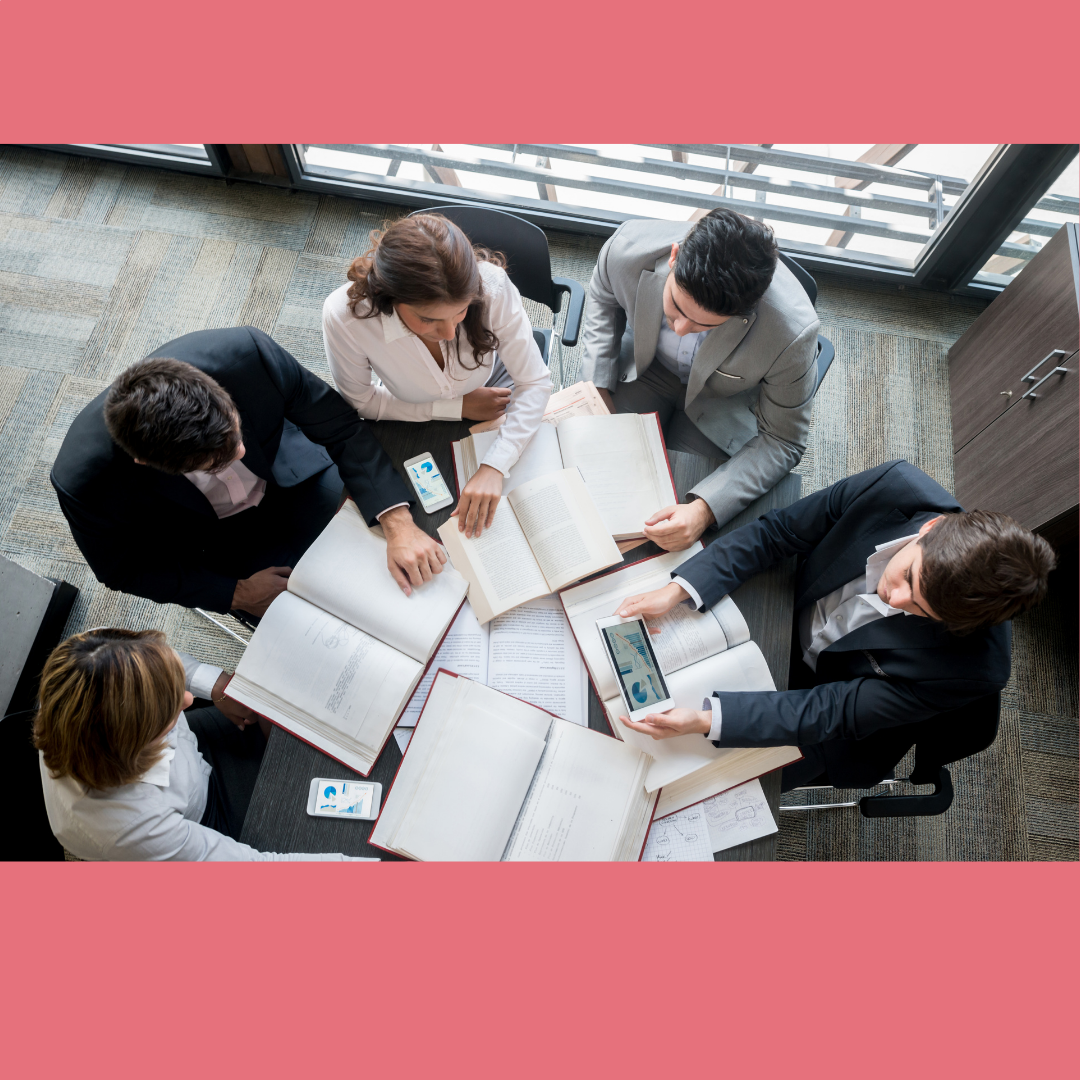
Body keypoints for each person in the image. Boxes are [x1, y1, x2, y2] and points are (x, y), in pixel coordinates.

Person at [612, 461, 1056, 788]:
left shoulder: (974, 670)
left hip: (831, 713)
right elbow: (778, 532)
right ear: (930, 528)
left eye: (922, 609)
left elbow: (833, 710)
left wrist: (707, 720)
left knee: (685, 787)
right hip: (787, 612)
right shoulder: (896, 489)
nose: (895, 599)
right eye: (908, 577)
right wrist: (680, 589)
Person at [51, 326, 447, 616]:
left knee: (422, 548)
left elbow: (339, 425)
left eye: (235, 432)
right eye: (218, 461)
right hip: (218, 542)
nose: (239, 451)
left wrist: (397, 522)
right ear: (147, 462)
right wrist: (236, 594)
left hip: (293, 476)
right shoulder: (85, 483)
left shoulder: (247, 356)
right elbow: (123, 570)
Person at [579, 208, 819, 550]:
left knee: (672, 525)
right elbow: (604, 298)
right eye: (676, 307)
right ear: (674, 257)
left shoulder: (792, 333)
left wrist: (704, 511)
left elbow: (783, 440)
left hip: (721, 405)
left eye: (703, 325)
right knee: (589, 480)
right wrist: (598, 388)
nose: (680, 329)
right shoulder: (626, 247)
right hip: (642, 371)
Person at [34, 628, 367, 860]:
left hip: (193, 761)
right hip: (200, 820)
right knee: (336, 835)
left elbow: (164, 662)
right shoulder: (135, 828)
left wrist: (218, 686)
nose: (189, 700)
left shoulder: (94, 661)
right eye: (168, 712)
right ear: (138, 741)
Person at [322, 213, 552, 538]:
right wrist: (456, 407)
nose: (448, 333)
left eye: (460, 312)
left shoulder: (492, 287)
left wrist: (495, 466)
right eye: (428, 320)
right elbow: (362, 402)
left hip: (493, 386)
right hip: (407, 413)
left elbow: (534, 382)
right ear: (390, 297)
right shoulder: (346, 317)